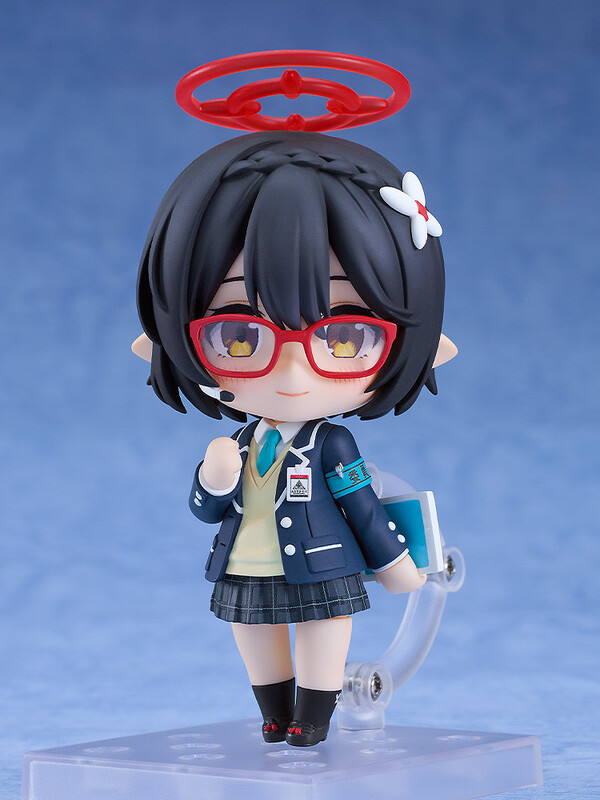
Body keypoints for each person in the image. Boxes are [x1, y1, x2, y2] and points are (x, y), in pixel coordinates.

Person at [132, 131, 456, 746]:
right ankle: (274, 711)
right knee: (253, 634)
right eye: (238, 337)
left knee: (321, 630)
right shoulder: (238, 440)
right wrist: (214, 480)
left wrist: (394, 562)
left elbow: (361, 503)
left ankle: (313, 715)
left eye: (344, 339)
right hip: (244, 560)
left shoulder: (332, 444)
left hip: (323, 559)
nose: (291, 373)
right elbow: (206, 510)